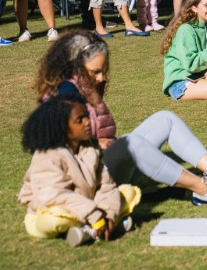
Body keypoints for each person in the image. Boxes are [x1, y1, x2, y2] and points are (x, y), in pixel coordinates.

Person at [36, 30, 207, 210]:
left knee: (165, 119)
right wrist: (94, 146)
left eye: (102, 70)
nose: (102, 77)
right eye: (96, 71)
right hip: (88, 181)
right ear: (75, 66)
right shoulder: (65, 94)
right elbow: (58, 150)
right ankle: (204, 190)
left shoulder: (84, 87)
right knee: (131, 143)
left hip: (103, 169)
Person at [18, 93, 139, 246]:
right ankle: (100, 226)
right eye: (79, 120)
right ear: (63, 127)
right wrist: (94, 214)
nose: (87, 122)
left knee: (128, 192)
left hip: (87, 205)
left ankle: (91, 230)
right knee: (56, 219)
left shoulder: (91, 147)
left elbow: (106, 186)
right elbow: (54, 196)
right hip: (50, 210)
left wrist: (108, 214)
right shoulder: (47, 156)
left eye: (86, 116)